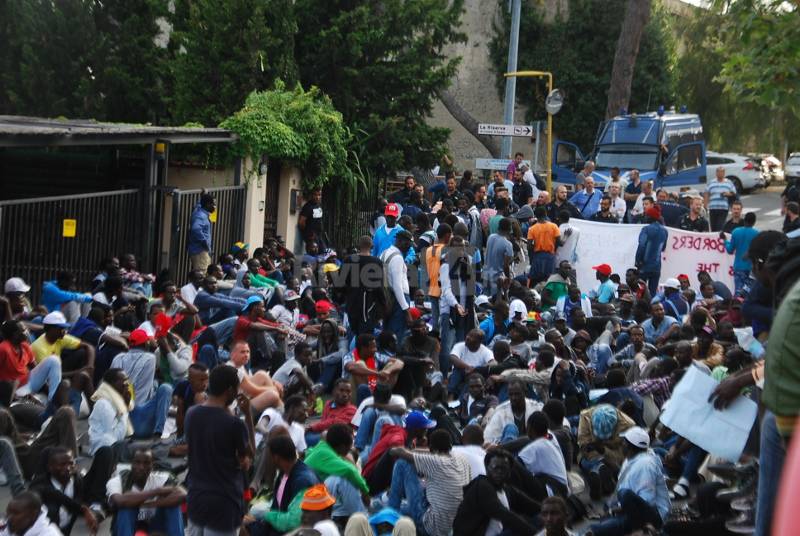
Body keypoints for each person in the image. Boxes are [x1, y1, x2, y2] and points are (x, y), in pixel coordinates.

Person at [185, 364, 255, 536]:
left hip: (196, 498)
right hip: (224, 503)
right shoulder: (234, 424)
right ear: (230, 390)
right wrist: (248, 416)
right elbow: (251, 454)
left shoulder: (191, 414)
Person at [387, 429, 471, 536]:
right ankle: (395, 508)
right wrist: (415, 450)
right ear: (450, 445)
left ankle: (389, 517)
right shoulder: (461, 460)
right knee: (408, 504)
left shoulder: (435, 462)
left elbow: (399, 452)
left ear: (431, 448)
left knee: (402, 463)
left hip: (429, 528)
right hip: (450, 526)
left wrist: (393, 450)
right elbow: (427, 453)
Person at [588, 427, 670, 536]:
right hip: (633, 512)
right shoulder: (630, 459)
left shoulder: (646, 465)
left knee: (624, 495)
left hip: (653, 516)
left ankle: (637, 529)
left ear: (629, 446)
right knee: (609, 510)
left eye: (623, 442)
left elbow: (645, 502)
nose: (621, 445)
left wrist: (616, 510)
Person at [452, 448, 538, 536]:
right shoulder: (482, 486)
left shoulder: (506, 489)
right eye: (495, 468)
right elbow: (505, 515)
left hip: (500, 533)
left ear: (509, 471)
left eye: (503, 469)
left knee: (542, 519)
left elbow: (534, 507)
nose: (499, 472)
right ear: (487, 468)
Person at [246, 435, 320, 536]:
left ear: (276, 458)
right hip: (278, 527)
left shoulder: (302, 481)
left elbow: (293, 522)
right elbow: (277, 510)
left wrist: (266, 515)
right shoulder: (284, 473)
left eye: (269, 456)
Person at [106, 448, 186, 536]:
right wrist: (157, 491)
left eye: (146, 463)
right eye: (137, 462)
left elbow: (182, 494)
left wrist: (149, 504)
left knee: (173, 506)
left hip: (155, 526)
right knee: (126, 507)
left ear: (152, 466)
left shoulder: (162, 478)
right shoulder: (117, 481)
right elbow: (119, 500)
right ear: (131, 464)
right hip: (127, 527)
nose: (141, 467)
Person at [30, 447, 108, 535]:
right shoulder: (39, 484)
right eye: (62, 464)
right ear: (50, 467)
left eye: (71, 463)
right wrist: (83, 509)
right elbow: (54, 494)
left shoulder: (77, 480)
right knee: (51, 508)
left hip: (69, 529)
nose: (68, 468)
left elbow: (79, 500)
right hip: (48, 531)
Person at [110, 329, 173, 438]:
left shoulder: (118, 358)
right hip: (138, 421)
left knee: (155, 384)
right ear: (145, 344)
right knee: (166, 388)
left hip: (118, 423)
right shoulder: (150, 358)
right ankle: (157, 435)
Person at [577, 404, 635, 500]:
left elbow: (625, 453)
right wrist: (591, 448)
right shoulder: (585, 417)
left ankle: (600, 471)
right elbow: (583, 444)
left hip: (615, 454)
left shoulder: (628, 425)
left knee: (618, 465)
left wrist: (605, 451)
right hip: (593, 455)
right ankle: (601, 470)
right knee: (584, 460)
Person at [0, 319, 62, 402]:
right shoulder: (3, 348)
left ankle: (53, 399)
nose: (27, 331)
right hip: (15, 389)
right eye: (23, 330)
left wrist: (45, 385)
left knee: (54, 360)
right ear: (15, 335)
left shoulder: (24, 346)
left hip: (29, 381)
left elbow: (35, 368)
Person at [343, 235, 386, 337]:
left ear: (358, 246)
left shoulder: (349, 259)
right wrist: (383, 304)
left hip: (352, 302)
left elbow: (340, 283)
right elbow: (379, 287)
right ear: (372, 246)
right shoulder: (377, 262)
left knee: (355, 331)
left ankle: (355, 351)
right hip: (368, 304)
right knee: (366, 334)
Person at [518, 412, 569, 497]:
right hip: (563, 487)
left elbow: (517, 464)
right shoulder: (550, 438)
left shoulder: (535, 447)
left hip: (554, 490)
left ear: (530, 429)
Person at [226, 340, 282, 412]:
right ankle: (282, 414)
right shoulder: (233, 370)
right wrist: (273, 388)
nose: (246, 355)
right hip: (236, 409)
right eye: (242, 352)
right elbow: (254, 391)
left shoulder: (239, 366)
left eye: (248, 352)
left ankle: (279, 410)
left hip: (242, 399)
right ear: (232, 354)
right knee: (272, 395)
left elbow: (249, 381)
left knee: (261, 375)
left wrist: (273, 383)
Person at [484, 379, 543, 444]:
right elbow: (488, 438)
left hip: (532, 447)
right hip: (507, 450)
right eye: (511, 394)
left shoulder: (537, 408)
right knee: (511, 429)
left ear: (525, 392)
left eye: (517, 394)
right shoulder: (500, 411)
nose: (513, 398)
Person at [380, 231, 414, 340]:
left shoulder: (384, 253)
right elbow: (397, 286)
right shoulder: (397, 257)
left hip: (388, 298)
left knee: (387, 333)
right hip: (399, 300)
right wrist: (406, 310)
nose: (409, 247)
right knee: (396, 337)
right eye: (406, 244)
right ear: (399, 241)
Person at [448, 329, 495, 398]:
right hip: (461, 372)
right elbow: (452, 357)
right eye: (468, 335)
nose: (468, 337)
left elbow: (493, 363)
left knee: (473, 378)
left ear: (479, 341)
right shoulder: (460, 345)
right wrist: (468, 367)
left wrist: (475, 369)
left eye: (472, 336)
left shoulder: (486, 351)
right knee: (457, 371)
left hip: (475, 375)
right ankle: (450, 396)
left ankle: (461, 401)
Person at [306, 378, 356, 443]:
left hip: (338, 441)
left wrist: (311, 427)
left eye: (348, 391)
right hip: (324, 435)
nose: (345, 394)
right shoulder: (329, 404)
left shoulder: (352, 410)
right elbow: (323, 422)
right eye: (341, 390)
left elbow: (333, 423)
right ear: (334, 391)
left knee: (305, 437)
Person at [635, 205, 669, 297]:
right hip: (657, 266)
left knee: (641, 292)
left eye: (647, 215)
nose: (645, 217)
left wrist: (638, 261)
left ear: (650, 217)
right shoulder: (665, 231)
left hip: (644, 266)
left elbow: (641, 246)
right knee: (653, 293)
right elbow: (663, 248)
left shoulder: (646, 229)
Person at [527, 207, 565, 286]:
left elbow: (529, 247)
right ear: (546, 214)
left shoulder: (532, 229)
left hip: (537, 257)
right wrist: (566, 237)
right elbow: (560, 243)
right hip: (550, 257)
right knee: (549, 280)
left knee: (534, 280)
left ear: (536, 216)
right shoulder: (554, 226)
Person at [723, 211, 759, 295]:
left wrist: (725, 241)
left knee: (738, 292)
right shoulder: (757, 234)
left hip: (738, 267)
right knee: (750, 292)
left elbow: (730, 250)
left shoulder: (736, 232)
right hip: (751, 269)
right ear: (754, 222)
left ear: (744, 220)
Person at [484, 217, 514, 297]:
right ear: (509, 229)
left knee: (485, 299)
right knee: (495, 300)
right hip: (497, 278)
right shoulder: (508, 245)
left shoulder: (491, 237)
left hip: (486, 273)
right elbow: (506, 265)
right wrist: (508, 278)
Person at [189, 192, 216, 272]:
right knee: (202, 276)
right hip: (200, 252)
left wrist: (204, 194)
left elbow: (199, 204)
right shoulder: (200, 216)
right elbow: (195, 229)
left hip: (199, 251)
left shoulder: (199, 210)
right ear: (208, 204)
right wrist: (205, 243)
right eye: (213, 204)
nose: (214, 207)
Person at [705, 166, 738, 232]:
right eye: (718, 172)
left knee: (720, 226)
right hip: (713, 208)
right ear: (716, 173)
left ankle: (719, 240)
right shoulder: (711, 182)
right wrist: (705, 204)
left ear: (724, 173)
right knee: (713, 227)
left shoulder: (728, 182)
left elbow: (734, 192)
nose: (720, 173)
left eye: (722, 172)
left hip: (723, 208)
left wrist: (727, 194)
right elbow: (706, 193)